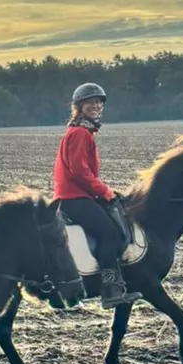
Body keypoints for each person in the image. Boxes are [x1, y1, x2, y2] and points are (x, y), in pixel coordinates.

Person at [52, 83, 141, 309]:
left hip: (79, 195)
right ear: (79, 106)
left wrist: (101, 192)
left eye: (99, 102)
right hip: (74, 198)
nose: (96, 105)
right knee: (110, 234)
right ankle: (110, 290)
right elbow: (80, 172)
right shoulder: (81, 133)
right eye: (90, 102)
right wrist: (105, 192)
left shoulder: (81, 131)